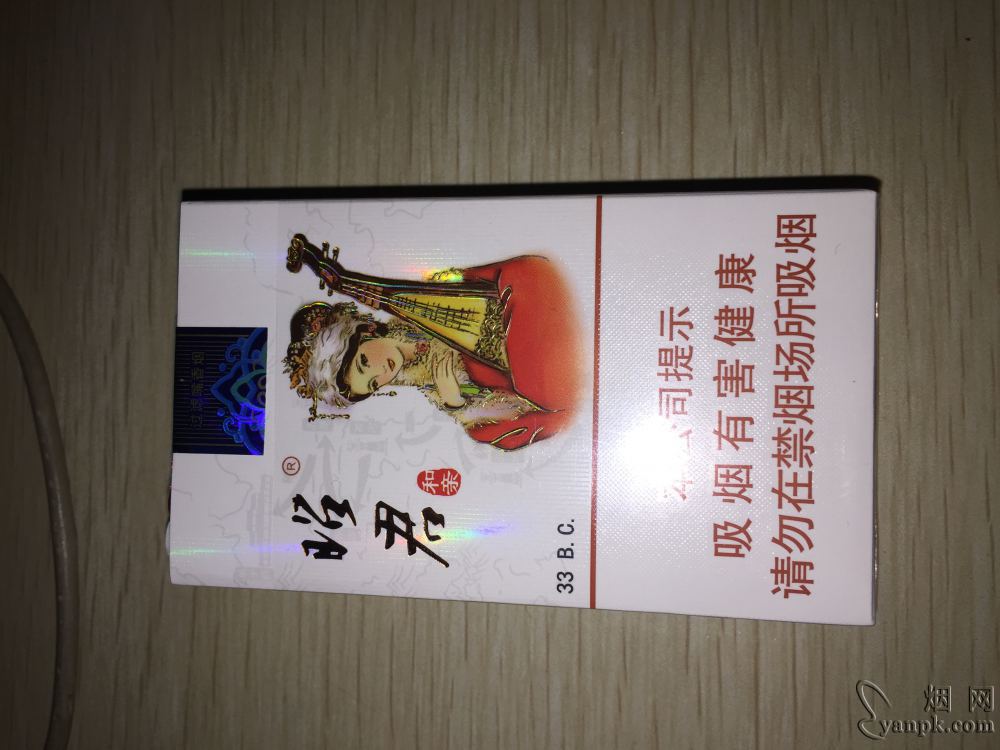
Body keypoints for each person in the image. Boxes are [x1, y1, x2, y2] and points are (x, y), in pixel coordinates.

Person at [283, 255, 582, 450]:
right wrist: (455, 401)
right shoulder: (428, 382)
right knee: (528, 408)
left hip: (524, 309)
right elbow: (498, 413)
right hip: (533, 369)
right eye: (373, 384)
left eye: (364, 362)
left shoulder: (418, 302)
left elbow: (480, 283)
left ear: (366, 332)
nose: (381, 373)